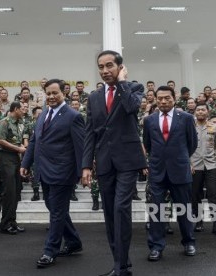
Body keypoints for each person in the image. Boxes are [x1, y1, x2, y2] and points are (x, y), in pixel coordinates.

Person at [82, 50, 146, 276]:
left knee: (120, 208)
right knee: (110, 213)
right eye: (101, 67)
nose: (105, 70)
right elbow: (90, 133)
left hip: (128, 160)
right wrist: (86, 165)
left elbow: (131, 108)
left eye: (110, 65)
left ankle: (121, 268)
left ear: (120, 67)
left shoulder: (133, 88)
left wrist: (122, 83)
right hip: (104, 161)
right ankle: (121, 264)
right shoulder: (94, 97)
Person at [21, 79, 85, 269]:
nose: (51, 96)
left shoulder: (73, 116)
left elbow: (80, 146)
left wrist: (84, 171)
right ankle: (73, 242)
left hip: (63, 172)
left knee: (57, 212)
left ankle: (50, 251)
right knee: (55, 208)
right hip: (43, 170)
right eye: (48, 93)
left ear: (64, 93)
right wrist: (26, 163)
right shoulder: (43, 114)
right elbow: (34, 141)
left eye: (55, 93)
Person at [142, 86, 198, 261]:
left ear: (174, 98)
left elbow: (192, 144)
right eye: (160, 98)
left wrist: (179, 158)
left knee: (184, 209)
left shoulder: (187, 118)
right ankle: (156, 246)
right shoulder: (149, 120)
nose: (163, 101)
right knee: (156, 210)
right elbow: (148, 145)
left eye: (167, 98)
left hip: (180, 170)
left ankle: (189, 242)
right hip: (157, 171)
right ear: (156, 100)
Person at [190, 104, 216, 235]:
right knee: (195, 195)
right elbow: (185, 146)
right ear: (195, 112)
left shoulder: (214, 127)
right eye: (198, 110)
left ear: (207, 112)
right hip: (195, 165)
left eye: (203, 109)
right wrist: (188, 163)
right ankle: (198, 222)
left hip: (211, 165)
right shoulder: (190, 126)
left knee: (213, 194)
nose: (200, 112)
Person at [0, 101, 26, 235]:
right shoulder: (5, 122)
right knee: (9, 192)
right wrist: (18, 148)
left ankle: (12, 222)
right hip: (6, 157)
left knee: (16, 191)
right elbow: (0, 140)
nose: (24, 111)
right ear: (15, 109)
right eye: (22, 109)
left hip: (15, 158)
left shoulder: (19, 123)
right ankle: (5, 223)